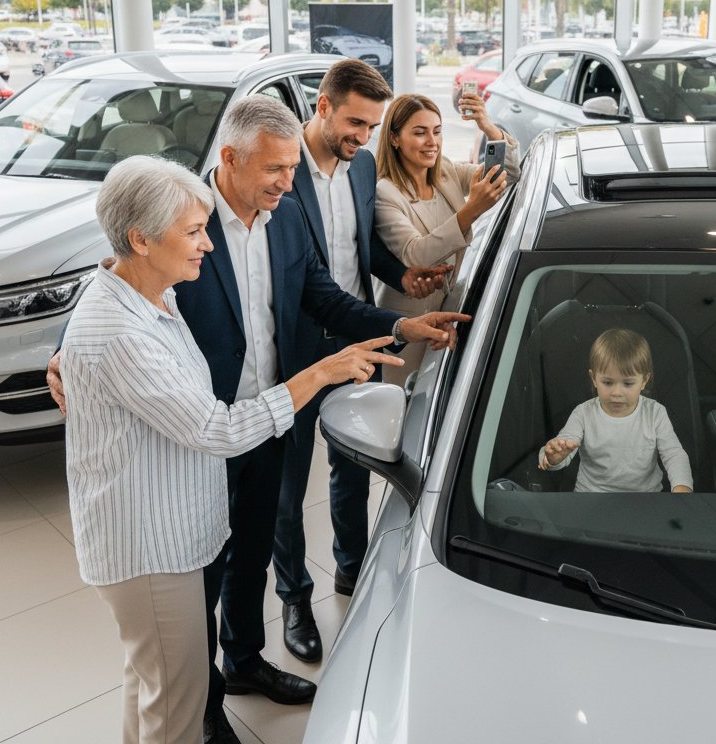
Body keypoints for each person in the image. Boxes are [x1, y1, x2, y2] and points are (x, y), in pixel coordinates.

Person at [51, 96, 468, 744]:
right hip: (193, 437)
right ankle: (202, 702)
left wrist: (398, 325)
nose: (285, 181)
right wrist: (64, 355)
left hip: (270, 419)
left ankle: (243, 661)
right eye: (274, 169)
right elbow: (116, 290)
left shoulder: (287, 217)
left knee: (251, 553)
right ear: (229, 160)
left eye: (289, 167)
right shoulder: (177, 222)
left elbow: (320, 295)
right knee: (195, 583)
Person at [274, 59, 451, 663]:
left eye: (372, 126)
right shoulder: (281, 170)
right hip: (294, 350)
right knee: (287, 484)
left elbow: (362, 246)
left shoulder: (363, 164)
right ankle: (295, 596)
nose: (362, 137)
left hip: (360, 342)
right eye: (354, 122)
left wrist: (402, 274)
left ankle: (351, 570)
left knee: (356, 462)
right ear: (321, 106)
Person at [374, 91, 519, 383]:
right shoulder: (385, 192)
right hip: (407, 324)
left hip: (448, 315)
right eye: (420, 133)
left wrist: (488, 127)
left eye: (437, 132)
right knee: (401, 406)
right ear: (394, 139)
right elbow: (416, 255)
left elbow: (510, 174)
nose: (432, 142)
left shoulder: (446, 174)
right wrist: (472, 209)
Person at [537, 328, 693, 493]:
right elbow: (564, 443)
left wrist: (682, 488)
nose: (617, 393)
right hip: (590, 497)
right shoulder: (583, 413)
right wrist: (553, 458)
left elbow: (674, 454)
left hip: (646, 499)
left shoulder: (655, 413)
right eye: (608, 383)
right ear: (594, 379)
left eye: (628, 384)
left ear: (644, 380)